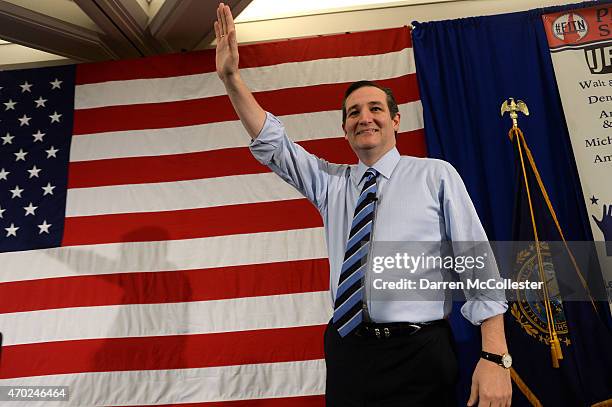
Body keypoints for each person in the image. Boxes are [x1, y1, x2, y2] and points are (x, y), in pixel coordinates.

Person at [214, 3, 512, 406]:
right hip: (348, 352)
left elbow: (475, 261)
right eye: (353, 112)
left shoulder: (435, 175)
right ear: (344, 128)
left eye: (375, 108)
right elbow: (274, 145)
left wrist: (495, 355)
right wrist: (232, 78)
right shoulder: (330, 184)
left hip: (419, 354)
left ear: (396, 120)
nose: (364, 117)